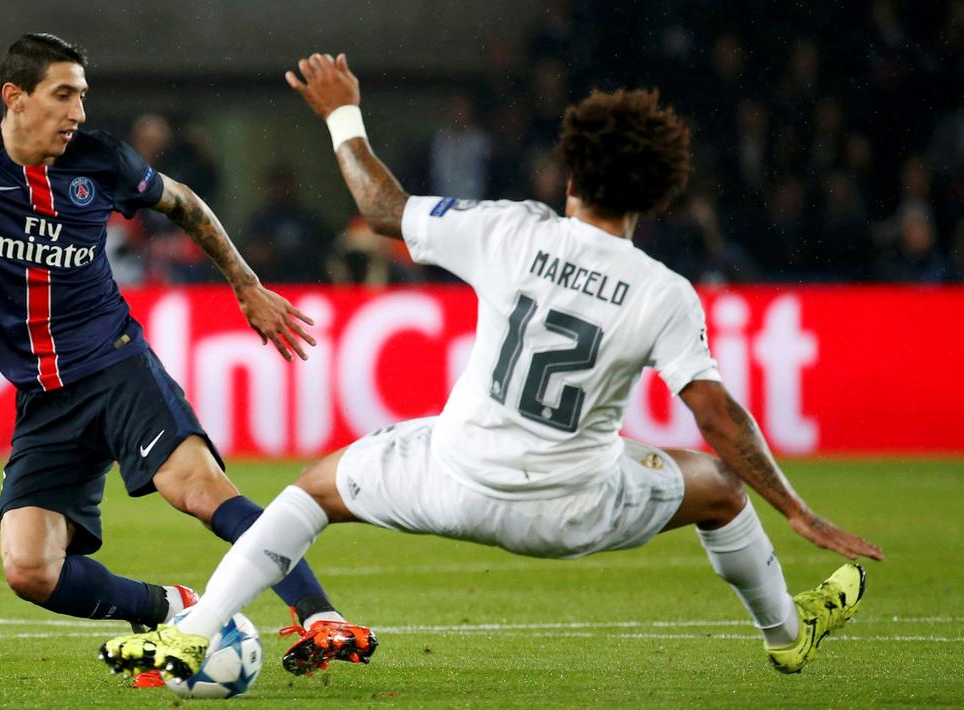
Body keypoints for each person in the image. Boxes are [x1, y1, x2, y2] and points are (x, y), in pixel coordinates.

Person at [99, 53, 884, 682]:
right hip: (578, 508)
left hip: (451, 478)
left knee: (310, 494)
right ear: (656, 195)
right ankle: (786, 633)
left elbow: (381, 209)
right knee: (718, 489)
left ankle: (193, 632)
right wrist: (795, 510)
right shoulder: (663, 292)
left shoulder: (512, 231)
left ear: (569, 175)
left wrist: (342, 113)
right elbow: (715, 414)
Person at [0, 17, 375, 682]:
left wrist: (245, 284)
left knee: (200, 490)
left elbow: (184, 203)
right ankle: (173, 607)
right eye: (63, 95)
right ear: (15, 98)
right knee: (28, 569)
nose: (78, 112)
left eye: (82, 96)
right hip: (44, 397)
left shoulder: (101, 160)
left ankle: (321, 617)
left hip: (115, 364)